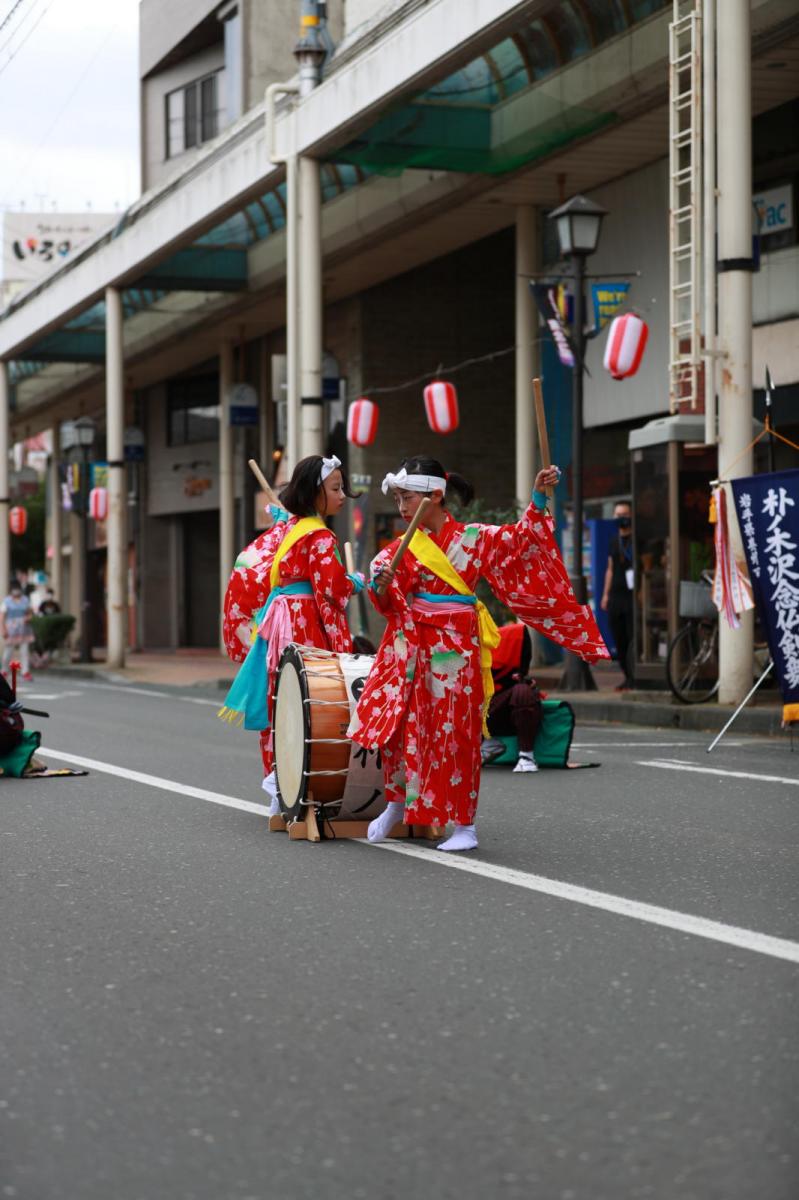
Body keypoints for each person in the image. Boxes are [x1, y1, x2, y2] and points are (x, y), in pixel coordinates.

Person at [348, 455, 609, 852]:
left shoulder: (473, 538)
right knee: (402, 728)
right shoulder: (399, 550)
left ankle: (464, 825)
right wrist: (380, 585)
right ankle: (397, 804)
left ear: (435, 496)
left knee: (457, 733)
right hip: (413, 646)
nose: (401, 507)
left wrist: (538, 498)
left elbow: (520, 541)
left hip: (455, 648)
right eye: (397, 499)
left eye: (408, 497)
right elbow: (388, 600)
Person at [220, 455, 363, 814]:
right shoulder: (318, 535)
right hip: (304, 621)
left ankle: (277, 784)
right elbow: (332, 589)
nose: (342, 496)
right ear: (315, 493)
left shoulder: (289, 528)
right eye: (335, 489)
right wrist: (356, 582)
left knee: (280, 698)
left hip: (279, 621)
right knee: (307, 700)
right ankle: (289, 782)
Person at [480, 621, 542, 773]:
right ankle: (482, 744)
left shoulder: (515, 676)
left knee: (522, 692)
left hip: (509, 712)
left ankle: (526, 756)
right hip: (483, 716)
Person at [600, 500, 635, 691]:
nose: (621, 518)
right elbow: (610, 569)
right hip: (616, 595)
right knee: (618, 638)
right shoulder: (614, 541)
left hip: (632, 597)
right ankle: (627, 676)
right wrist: (605, 595)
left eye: (624, 514)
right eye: (617, 515)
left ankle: (635, 677)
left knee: (631, 639)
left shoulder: (637, 539)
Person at [1, 580, 35, 682]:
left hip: (24, 628)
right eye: (14, 589)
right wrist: (3, 629)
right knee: (8, 651)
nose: (16, 591)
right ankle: (4, 670)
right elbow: (2, 617)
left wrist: (28, 617)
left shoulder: (25, 600)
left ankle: (25, 672)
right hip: (11, 629)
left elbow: (30, 613)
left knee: (24, 651)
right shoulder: (6, 601)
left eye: (17, 589)